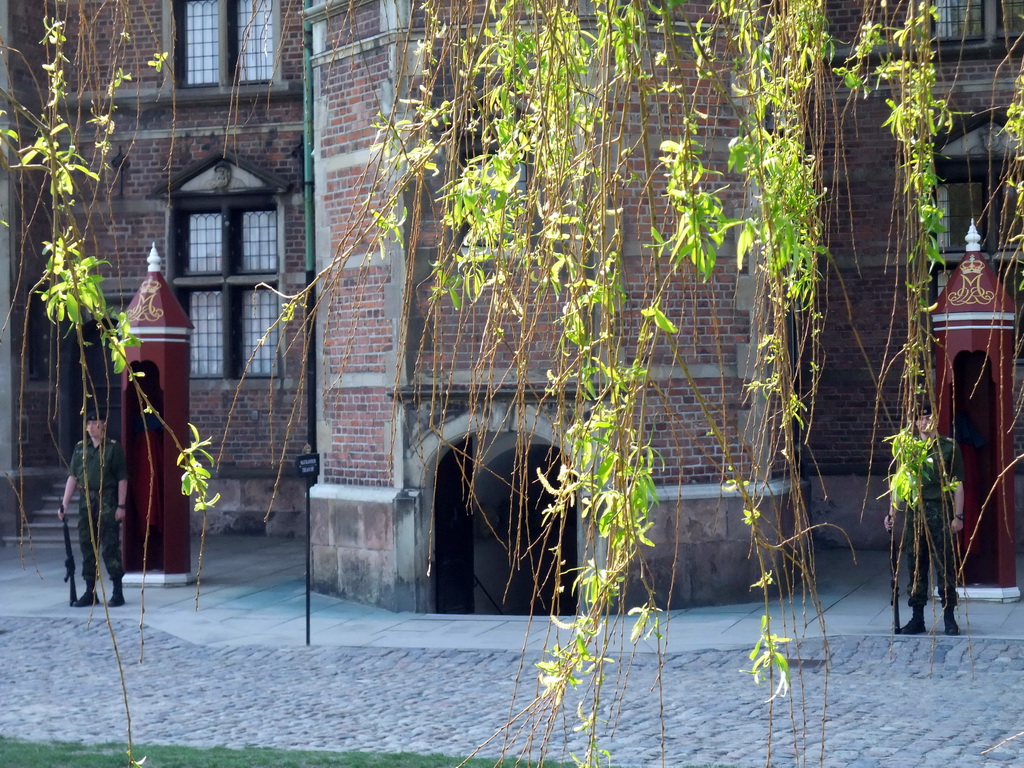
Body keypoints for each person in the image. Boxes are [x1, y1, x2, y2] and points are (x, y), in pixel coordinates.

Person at [884, 402, 965, 636]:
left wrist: (958, 516)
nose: (924, 422)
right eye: (919, 418)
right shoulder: (908, 450)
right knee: (916, 566)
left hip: (940, 511)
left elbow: (958, 484)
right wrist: (891, 513)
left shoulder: (948, 448)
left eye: (928, 417)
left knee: (945, 565)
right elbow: (899, 485)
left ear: (936, 419)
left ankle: (949, 617)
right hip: (915, 513)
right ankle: (917, 618)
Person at [57, 406, 129, 607]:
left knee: (110, 547)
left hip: (107, 499)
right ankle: (90, 591)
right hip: (86, 502)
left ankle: (117, 591)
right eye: (88, 423)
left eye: (94, 423)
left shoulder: (113, 449)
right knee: (88, 546)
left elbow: (122, 478)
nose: (90, 427)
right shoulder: (80, 448)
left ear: (103, 425)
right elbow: (73, 477)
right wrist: (64, 504)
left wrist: (121, 506)